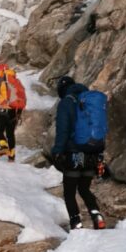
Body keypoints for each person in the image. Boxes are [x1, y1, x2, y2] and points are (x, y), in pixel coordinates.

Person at [51, 75, 106, 230]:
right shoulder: (88, 101)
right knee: (84, 188)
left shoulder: (66, 102)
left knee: (69, 192)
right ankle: (97, 215)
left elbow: (63, 130)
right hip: (92, 153)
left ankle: (76, 223)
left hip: (74, 154)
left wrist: (57, 151)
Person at [0, 62, 25, 162]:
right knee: (10, 133)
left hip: (3, 110)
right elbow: (21, 97)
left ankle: (4, 147)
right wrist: (19, 112)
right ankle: (11, 155)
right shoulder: (16, 82)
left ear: (1, 71)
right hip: (14, 111)